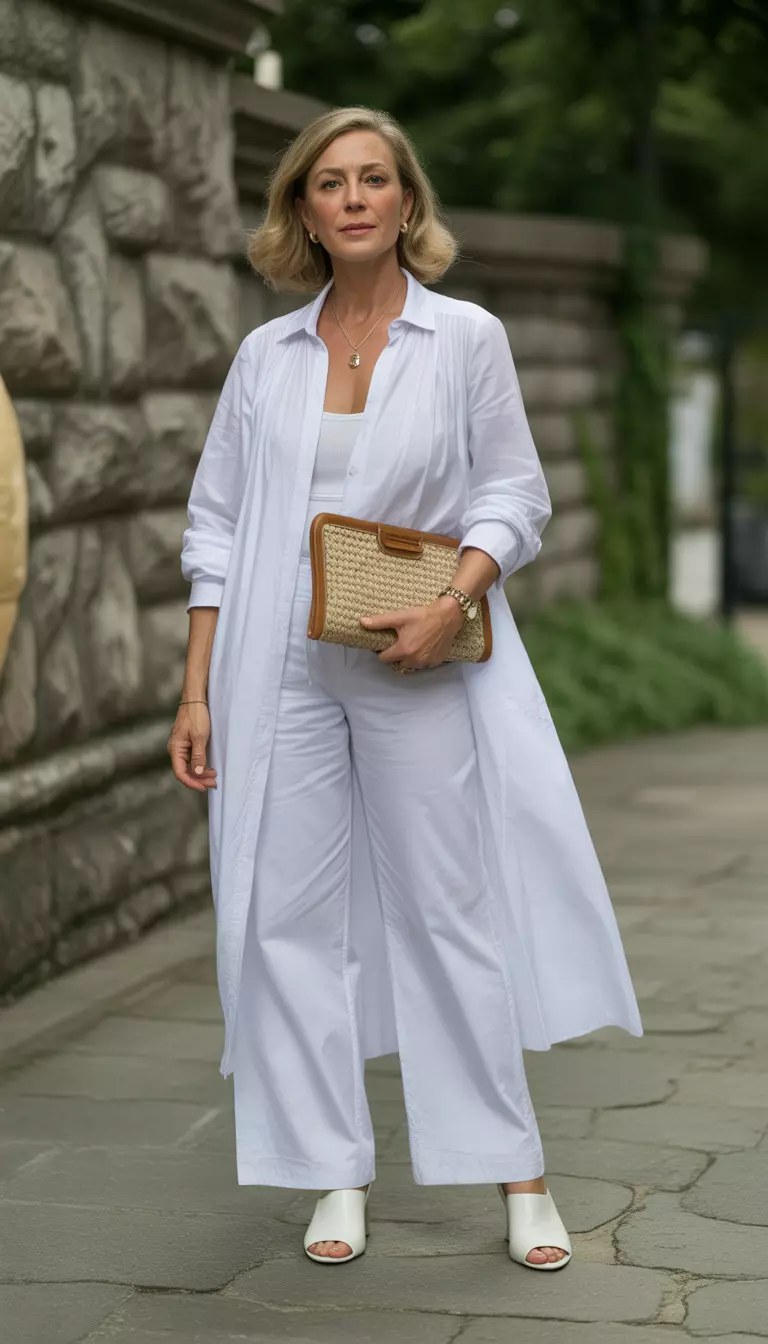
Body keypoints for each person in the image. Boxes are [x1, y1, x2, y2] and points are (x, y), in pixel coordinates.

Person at [170, 105, 643, 1270]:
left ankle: (519, 1175)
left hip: (412, 654)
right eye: (329, 182)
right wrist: (195, 691)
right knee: (286, 917)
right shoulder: (266, 356)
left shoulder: (465, 337)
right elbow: (215, 527)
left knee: (447, 908)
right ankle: (334, 1171)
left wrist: (453, 602)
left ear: (407, 200)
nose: (354, 198)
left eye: (374, 178)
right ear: (303, 211)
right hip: (273, 661)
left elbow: (514, 494)